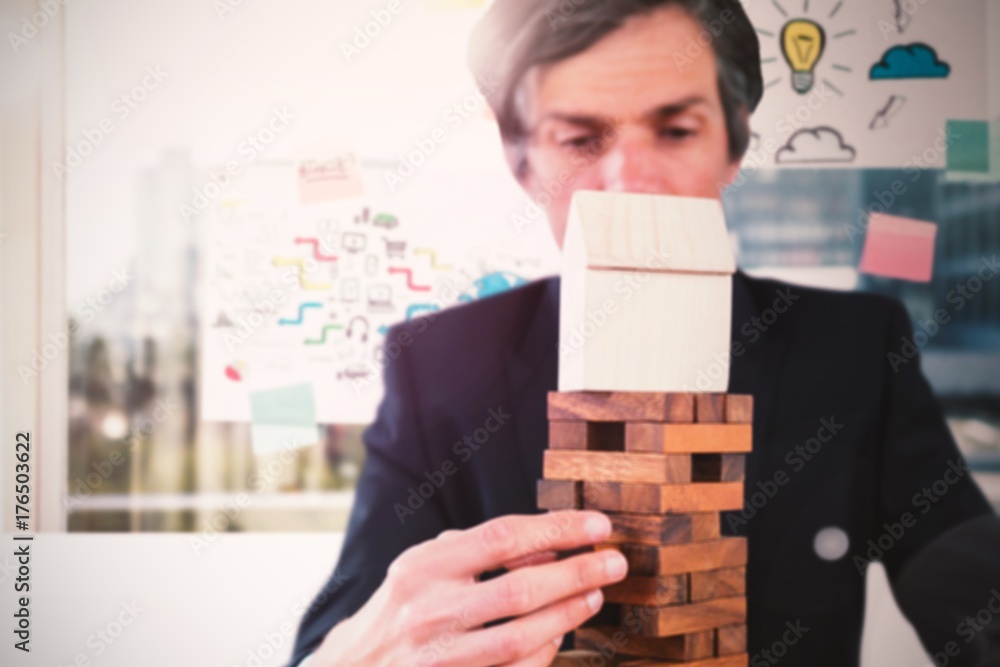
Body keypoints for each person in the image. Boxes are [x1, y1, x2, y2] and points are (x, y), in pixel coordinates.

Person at [290, 1, 1000, 665]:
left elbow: (967, 580)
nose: (630, 182)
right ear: (523, 164)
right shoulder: (436, 365)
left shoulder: (854, 347)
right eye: (579, 137)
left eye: (675, 130)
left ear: (734, 147)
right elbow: (342, 634)